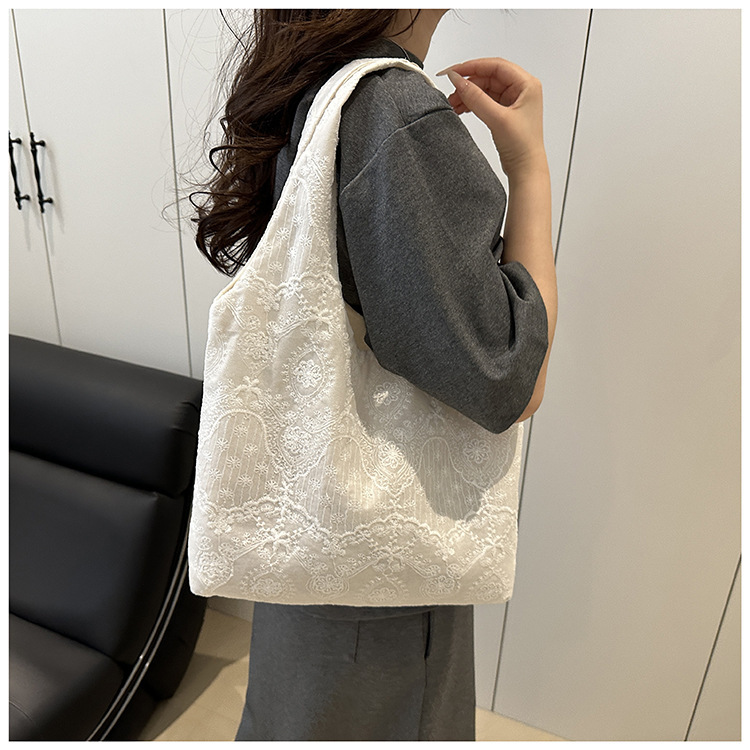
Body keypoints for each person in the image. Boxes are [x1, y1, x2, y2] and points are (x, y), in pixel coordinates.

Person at [192, 8, 557, 742]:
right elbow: (511, 379)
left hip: (309, 538)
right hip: (379, 595)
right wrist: (529, 166)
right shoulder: (391, 108)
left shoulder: (318, 81)